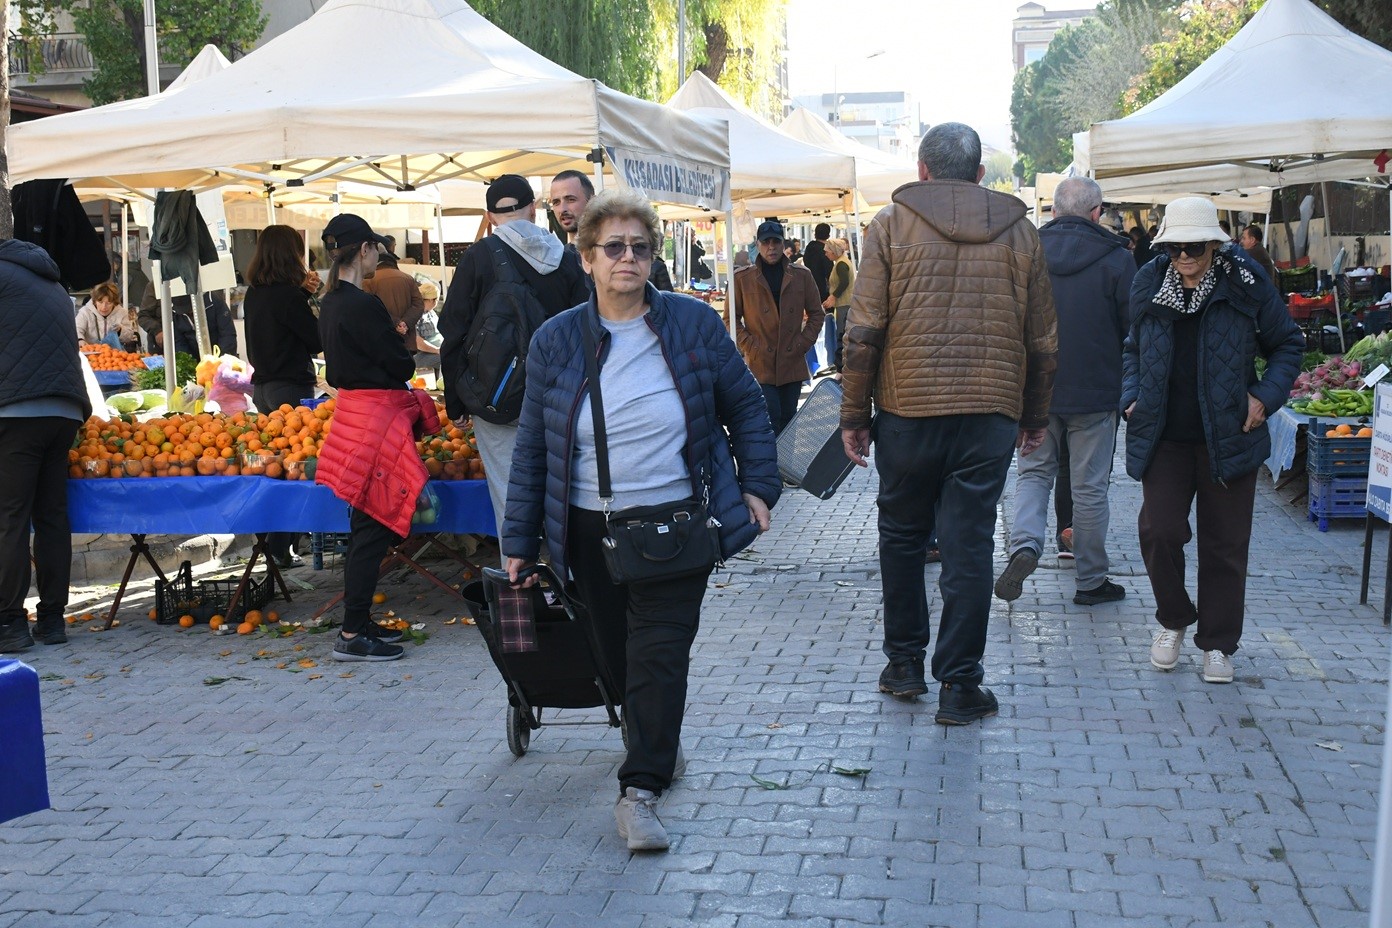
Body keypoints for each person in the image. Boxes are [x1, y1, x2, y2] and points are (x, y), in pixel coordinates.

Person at [502, 188, 779, 852]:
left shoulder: (691, 324)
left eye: (640, 247)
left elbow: (745, 405)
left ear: (654, 257)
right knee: (618, 658)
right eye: (613, 247)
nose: (628, 258)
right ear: (587, 256)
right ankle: (653, 736)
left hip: (675, 524)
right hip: (587, 530)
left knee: (660, 656)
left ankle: (640, 791)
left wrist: (757, 487)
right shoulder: (556, 340)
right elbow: (535, 447)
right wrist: (518, 541)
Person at [840, 122, 1057, 726]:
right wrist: (1035, 414)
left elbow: (863, 334)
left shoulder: (888, 226)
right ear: (981, 174)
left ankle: (905, 663)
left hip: (907, 410)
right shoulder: (1021, 232)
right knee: (968, 544)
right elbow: (1042, 340)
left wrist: (855, 414)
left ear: (922, 168)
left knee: (903, 537)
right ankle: (961, 685)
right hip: (990, 410)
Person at [1123, 196, 1303, 684]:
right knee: (1158, 532)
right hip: (1164, 435)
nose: (1184, 257)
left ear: (1214, 245)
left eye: (1194, 248)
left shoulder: (1245, 282)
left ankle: (1219, 643)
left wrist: (1264, 397)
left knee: (1224, 546)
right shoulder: (1149, 280)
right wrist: (1132, 395)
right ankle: (1174, 619)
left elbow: (1288, 343)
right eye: (1176, 248)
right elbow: (1132, 348)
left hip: (1230, 436)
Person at [996, 177, 1133, 606]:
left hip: (1036, 390)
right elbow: (1134, 331)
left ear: (1054, 211)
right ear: (1097, 213)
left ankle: (1024, 546)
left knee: (1034, 475)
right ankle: (1091, 581)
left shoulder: (1025, 252)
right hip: (1096, 393)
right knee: (1090, 488)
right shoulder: (1117, 259)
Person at [439, 174, 589, 539]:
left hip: (496, 400)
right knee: (562, 494)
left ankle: (521, 586)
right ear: (534, 209)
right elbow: (585, 331)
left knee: (510, 498)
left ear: (490, 217)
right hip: (559, 399)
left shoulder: (478, 258)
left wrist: (456, 402)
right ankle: (565, 582)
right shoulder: (567, 260)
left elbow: (454, 332)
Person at [314, 214, 430, 663]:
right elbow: (401, 366)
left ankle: (358, 622)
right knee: (369, 532)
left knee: (365, 527)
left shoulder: (331, 302)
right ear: (363, 249)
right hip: (374, 423)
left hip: (352, 416)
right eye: (375, 248)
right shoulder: (362, 305)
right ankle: (350, 632)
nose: (378, 255)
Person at [0, 239, 93, 652]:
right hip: (64, 412)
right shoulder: (51, 283)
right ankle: (53, 620)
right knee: (53, 517)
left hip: (15, 412)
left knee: (10, 518)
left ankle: (11, 624)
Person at [242, 225, 324, 569]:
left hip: (261, 387)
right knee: (292, 468)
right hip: (289, 387)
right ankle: (280, 547)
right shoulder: (289, 297)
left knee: (273, 466)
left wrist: (303, 295)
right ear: (291, 254)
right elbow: (316, 340)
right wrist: (312, 300)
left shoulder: (254, 293)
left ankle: (275, 545)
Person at [728, 220, 824, 434]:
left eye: (775, 242)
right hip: (761, 361)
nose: (771, 247)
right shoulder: (742, 279)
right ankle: (770, 466)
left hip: (792, 359)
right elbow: (730, 319)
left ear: (783, 244)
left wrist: (803, 343)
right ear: (758, 245)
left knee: (790, 422)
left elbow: (817, 314)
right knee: (769, 418)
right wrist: (750, 346)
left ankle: (785, 467)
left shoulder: (802, 276)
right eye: (766, 242)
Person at [137, 283, 237, 357]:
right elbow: (179, 342)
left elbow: (227, 335)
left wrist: (222, 361)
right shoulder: (174, 312)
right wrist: (191, 365)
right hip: (191, 352)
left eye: (189, 310)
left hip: (218, 352)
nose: (188, 313)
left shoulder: (215, 303)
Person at [364, 244, 425, 358]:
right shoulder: (408, 278)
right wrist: (405, 323)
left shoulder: (368, 280)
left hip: (382, 341)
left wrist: (396, 323)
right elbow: (418, 305)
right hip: (407, 341)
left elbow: (370, 308)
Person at [803, 223, 836, 369]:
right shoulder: (825, 252)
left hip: (807, 290)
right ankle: (828, 358)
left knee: (810, 323)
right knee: (825, 323)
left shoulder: (808, 249)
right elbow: (830, 274)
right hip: (823, 292)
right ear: (828, 235)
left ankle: (813, 361)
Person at [75, 281, 140, 350]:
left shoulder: (122, 312)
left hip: (114, 355)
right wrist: (80, 339)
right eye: (100, 302)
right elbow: (76, 329)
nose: (104, 307)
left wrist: (120, 330)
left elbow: (129, 336)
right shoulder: (85, 312)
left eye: (108, 303)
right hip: (90, 352)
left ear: (114, 302)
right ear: (94, 301)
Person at [824, 238, 856, 374]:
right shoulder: (840, 262)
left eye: (827, 251)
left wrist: (833, 296)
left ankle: (841, 367)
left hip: (844, 303)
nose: (826, 254)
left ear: (834, 251)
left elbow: (844, 282)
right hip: (843, 303)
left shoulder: (841, 264)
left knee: (841, 334)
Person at [548, 169, 594, 255]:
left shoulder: (614, 250)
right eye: (556, 202)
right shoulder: (558, 261)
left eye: (570, 200)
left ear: (592, 201)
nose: (562, 209)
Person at [413, 280, 443, 370]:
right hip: (421, 355)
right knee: (448, 359)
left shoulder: (430, 312)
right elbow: (418, 343)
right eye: (436, 300)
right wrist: (438, 350)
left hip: (435, 350)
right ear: (431, 300)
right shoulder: (415, 314)